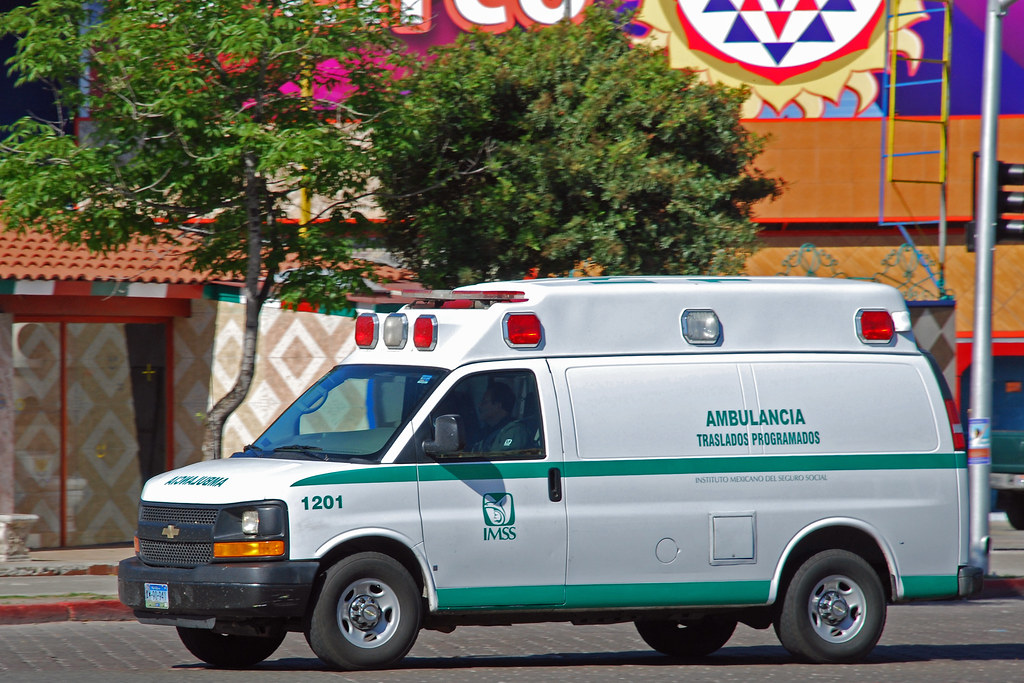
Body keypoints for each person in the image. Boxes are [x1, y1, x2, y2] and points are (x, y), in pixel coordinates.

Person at [473, 382, 530, 453]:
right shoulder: (485, 432)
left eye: (484, 402)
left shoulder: (514, 431)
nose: (480, 406)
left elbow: (506, 461)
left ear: (498, 405)